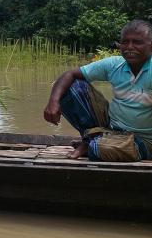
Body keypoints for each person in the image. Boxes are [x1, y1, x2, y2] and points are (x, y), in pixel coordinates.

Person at [43, 20, 152, 161]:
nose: (129, 47)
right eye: (125, 42)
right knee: (67, 88)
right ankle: (93, 139)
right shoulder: (115, 64)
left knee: (97, 149)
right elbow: (70, 74)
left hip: (143, 139)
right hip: (112, 128)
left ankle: (93, 144)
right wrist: (53, 102)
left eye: (137, 42)